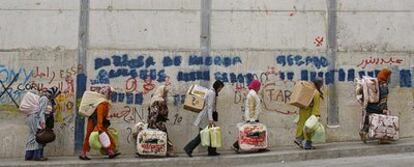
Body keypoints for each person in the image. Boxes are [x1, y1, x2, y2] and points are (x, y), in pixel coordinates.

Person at [183, 80, 225, 157]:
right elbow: (209, 107)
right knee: (202, 135)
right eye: (220, 88)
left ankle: (212, 151)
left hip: (207, 116)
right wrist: (210, 119)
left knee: (211, 133)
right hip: (206, 117)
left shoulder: (212, 92)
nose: (220, 90)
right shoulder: (212, 93)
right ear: (217, 87)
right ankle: (188, 148)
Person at [79, 86, 120, 160]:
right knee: (103, 137)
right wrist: (99, 126)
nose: (111, 95)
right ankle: (110, 152)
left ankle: (110, 152)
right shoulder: (103, 103)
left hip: (93, 120)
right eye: (110, 93)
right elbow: (100, 115)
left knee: (104, 136)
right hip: (97, 122)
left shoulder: (100, 101)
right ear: (107, 93)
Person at [25, 87, 61, 161]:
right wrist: (43, 123)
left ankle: (29, 156)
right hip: (36, 119)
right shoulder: (45, 99)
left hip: (35, 118)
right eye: (56, 94)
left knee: (33, 137)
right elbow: (41, 112)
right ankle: (37, 156)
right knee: (40, 137)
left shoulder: (49, 99)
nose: (56, 96)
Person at [359, 69, 392, 144]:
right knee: (383, 121)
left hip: (370, 105)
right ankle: (382, 139)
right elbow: (384, 98)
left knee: (368, 119)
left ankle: (363, 131)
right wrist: (384, 108)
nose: (390, 78)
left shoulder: (374, 83)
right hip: (378, 106)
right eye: (389, 76)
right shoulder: (383, 84)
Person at [232, 80, 263, 152]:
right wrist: (253, 119)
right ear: (256, 86)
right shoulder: (253, 94)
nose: (259, 88)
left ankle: (262, 147)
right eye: (259, 86)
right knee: (250, 133)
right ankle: (236, 145)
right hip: (252, 118)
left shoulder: (252, 94)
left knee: (255, 132)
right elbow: (251, 107)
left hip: (252, 117)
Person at [294, 78, 324, 150]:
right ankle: (307, 144)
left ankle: (299, 139)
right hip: (310, 113)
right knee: (310, 128)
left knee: (302, 125)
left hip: (303, 111)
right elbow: (316, 105)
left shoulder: (309, 90)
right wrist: (316, 115)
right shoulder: (316, 92)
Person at [147, 85, 176, 157]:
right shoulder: (161, 101)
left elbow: (150, 113)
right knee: (164, 137)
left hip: (151, 122)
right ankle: (168, 151)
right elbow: (163, 113)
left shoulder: (153, 99)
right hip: (159, 123)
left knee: (155, 138)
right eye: (165, 93)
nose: (166, 94)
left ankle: (155, 151)